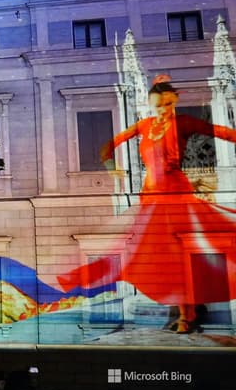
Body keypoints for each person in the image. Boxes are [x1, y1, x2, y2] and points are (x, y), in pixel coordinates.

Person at [58, 74, 236, 333]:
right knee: (156, 255)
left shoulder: (183, 123)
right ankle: (185, 311)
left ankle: (187, 313)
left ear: (174, 102)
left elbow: (219, 131)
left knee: (178, 255)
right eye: (160, 104)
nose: (164, 109)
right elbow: (108, 146)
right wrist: (113, 169)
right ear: (152, 103)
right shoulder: (144, 126)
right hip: (150, 196)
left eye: (168, 104)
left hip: (175, 194)